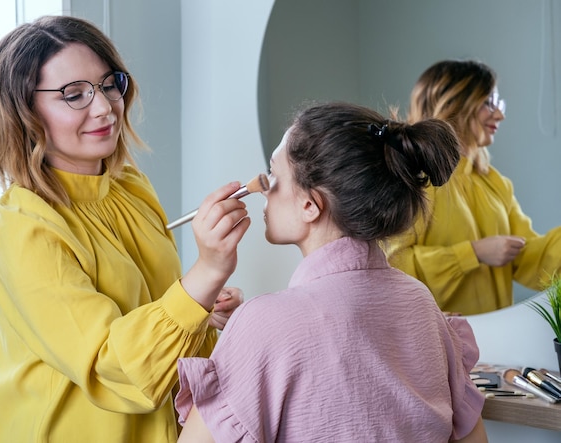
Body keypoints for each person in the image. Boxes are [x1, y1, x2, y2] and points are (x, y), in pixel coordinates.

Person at [0, 15, 249, 442]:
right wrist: (206, 272)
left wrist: (201, 309)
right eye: (74, 94)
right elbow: (110, 364)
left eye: (106, 85)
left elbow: (149, 312)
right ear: (23, 111)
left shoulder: (130, 186)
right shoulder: (22, 227)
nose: (104, 107)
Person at [174, 102, 488, 442]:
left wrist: (255, 332)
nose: (264, 188)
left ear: (310, 205)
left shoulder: (263, 323)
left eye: (274, 173)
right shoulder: (421, 304)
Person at [385, 59, 561, 315]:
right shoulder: (415, 178)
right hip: (436, 344)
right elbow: (392, 267)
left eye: (499, 103)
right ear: (454, 103)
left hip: (493, 340)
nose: (500, 114)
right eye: (489, 102)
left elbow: (529, 258)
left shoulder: (494, 182)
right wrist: (472, 254)